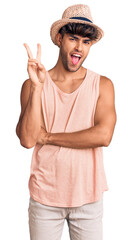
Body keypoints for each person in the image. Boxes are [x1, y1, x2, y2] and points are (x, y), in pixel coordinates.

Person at [16, 4, 117, 240]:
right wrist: (39, 87)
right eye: (73, 38)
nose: (79, 47)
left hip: (88, 199)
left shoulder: (103, 85)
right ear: (60, 39)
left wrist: (49, 137)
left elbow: (103, 136)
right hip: (44, 198)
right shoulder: (32, 85)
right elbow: (28, 139)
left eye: (86, 42)